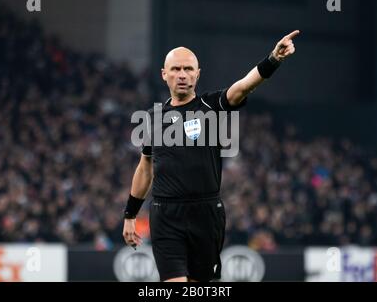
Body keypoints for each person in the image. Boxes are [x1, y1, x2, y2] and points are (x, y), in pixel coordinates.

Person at [122, 31, 299, 282]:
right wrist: (130, 215)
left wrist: (273, 59)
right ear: (164, 74)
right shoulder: (152, 118)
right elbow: (145, 169)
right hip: (165, 214)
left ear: (197, 74)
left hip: (206, 215)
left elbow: (244, 85)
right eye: (175, 69)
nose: (182, 75)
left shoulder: (212, 106)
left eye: (187, 69)